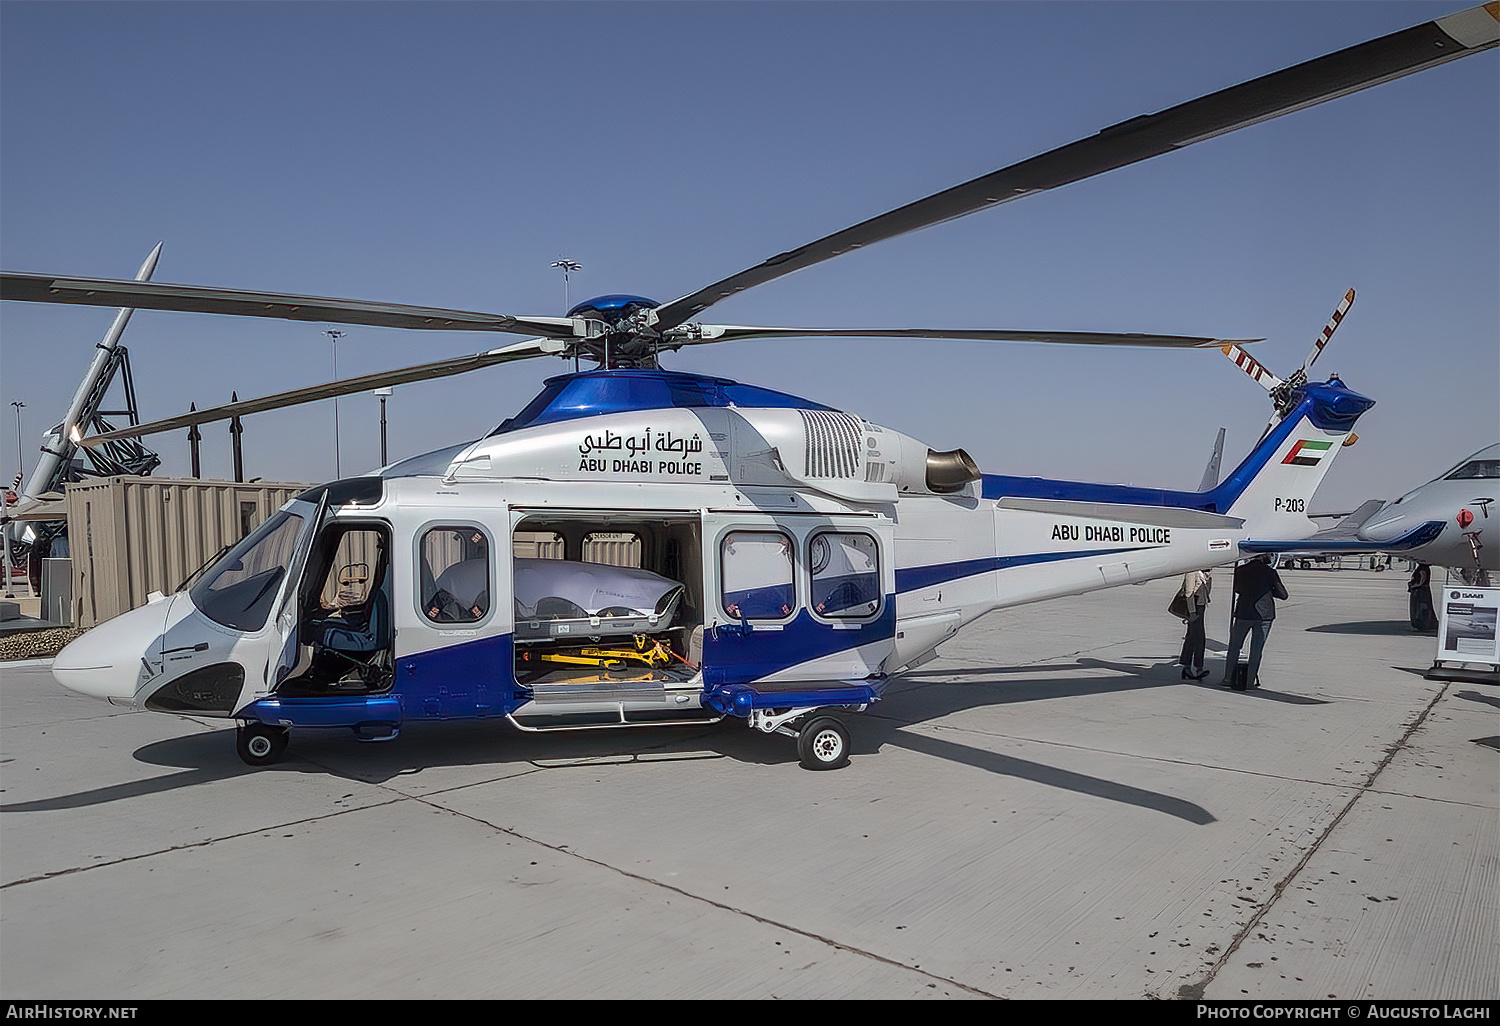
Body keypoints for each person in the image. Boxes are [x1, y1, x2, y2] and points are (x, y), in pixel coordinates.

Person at [1219, 555, 1288, 690]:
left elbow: (1237, 589)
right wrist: (1268, 591)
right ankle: (1250, 680)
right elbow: (1283, 594)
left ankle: (1227, 677)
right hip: (1264, 615)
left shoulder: (1241, 571)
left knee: (1234, 647)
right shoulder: (1270, 572)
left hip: (1243, 612)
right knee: (1256, 649)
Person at [1177, 568, 1212, 680]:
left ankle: (1189, 666)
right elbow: (1189, 592)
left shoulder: (1206, 574)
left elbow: (1207, 591)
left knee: (1194, 636)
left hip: (1201, 606)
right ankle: (1195, 667)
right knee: (1197, 637)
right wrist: (1191, 612)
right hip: (1194, 606)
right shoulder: (1192, 572)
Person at [1407, 562, 1438, 632]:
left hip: (1420, 591)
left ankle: (1423, 623)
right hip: (1422, 589)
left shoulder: (1422, 569)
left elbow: (1423, 578)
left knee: (1420, 607)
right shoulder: (1424, 568)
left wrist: (1416, 585)